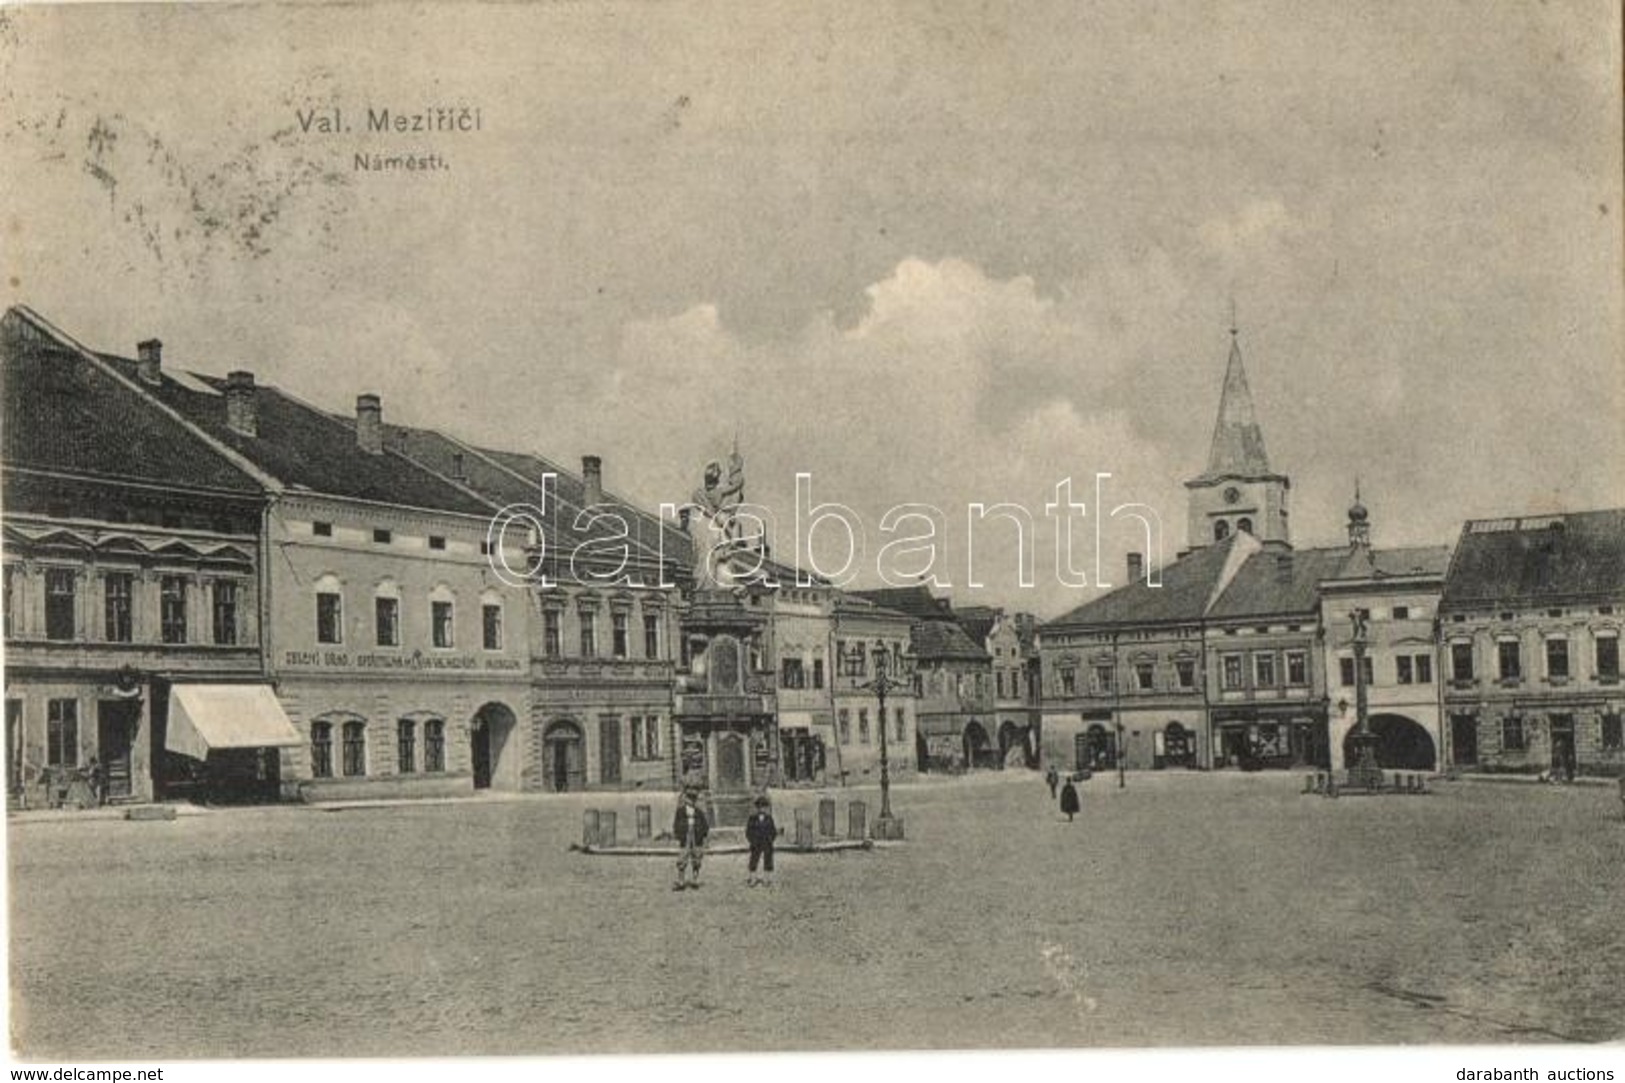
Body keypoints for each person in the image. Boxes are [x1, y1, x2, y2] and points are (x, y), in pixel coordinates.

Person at [672, 787, 710, 891]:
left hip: (696, 837)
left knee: (697, 858)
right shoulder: (680, 812)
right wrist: (679, 835)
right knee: (682, 858)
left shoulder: (699, 812)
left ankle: (695, 880)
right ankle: (681, 881)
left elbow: (705, 826)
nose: (691, 801)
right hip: (685, 836)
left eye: (694, 799)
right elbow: (676, 824)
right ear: (686, 799)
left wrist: (703, 836)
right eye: (689, 798)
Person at [745, 795, 777, 887]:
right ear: (757, 808)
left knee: (768, 861)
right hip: (756, 843)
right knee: (753, 861)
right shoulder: (752, 819)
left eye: (764, 806)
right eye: (759, 807)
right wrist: (752, 840)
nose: (762, 809)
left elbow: (773, 831)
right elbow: (748, 832)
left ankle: (766, 879)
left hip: (767, 843)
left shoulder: (769, 819)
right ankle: (753, 878)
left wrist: (770, 840)